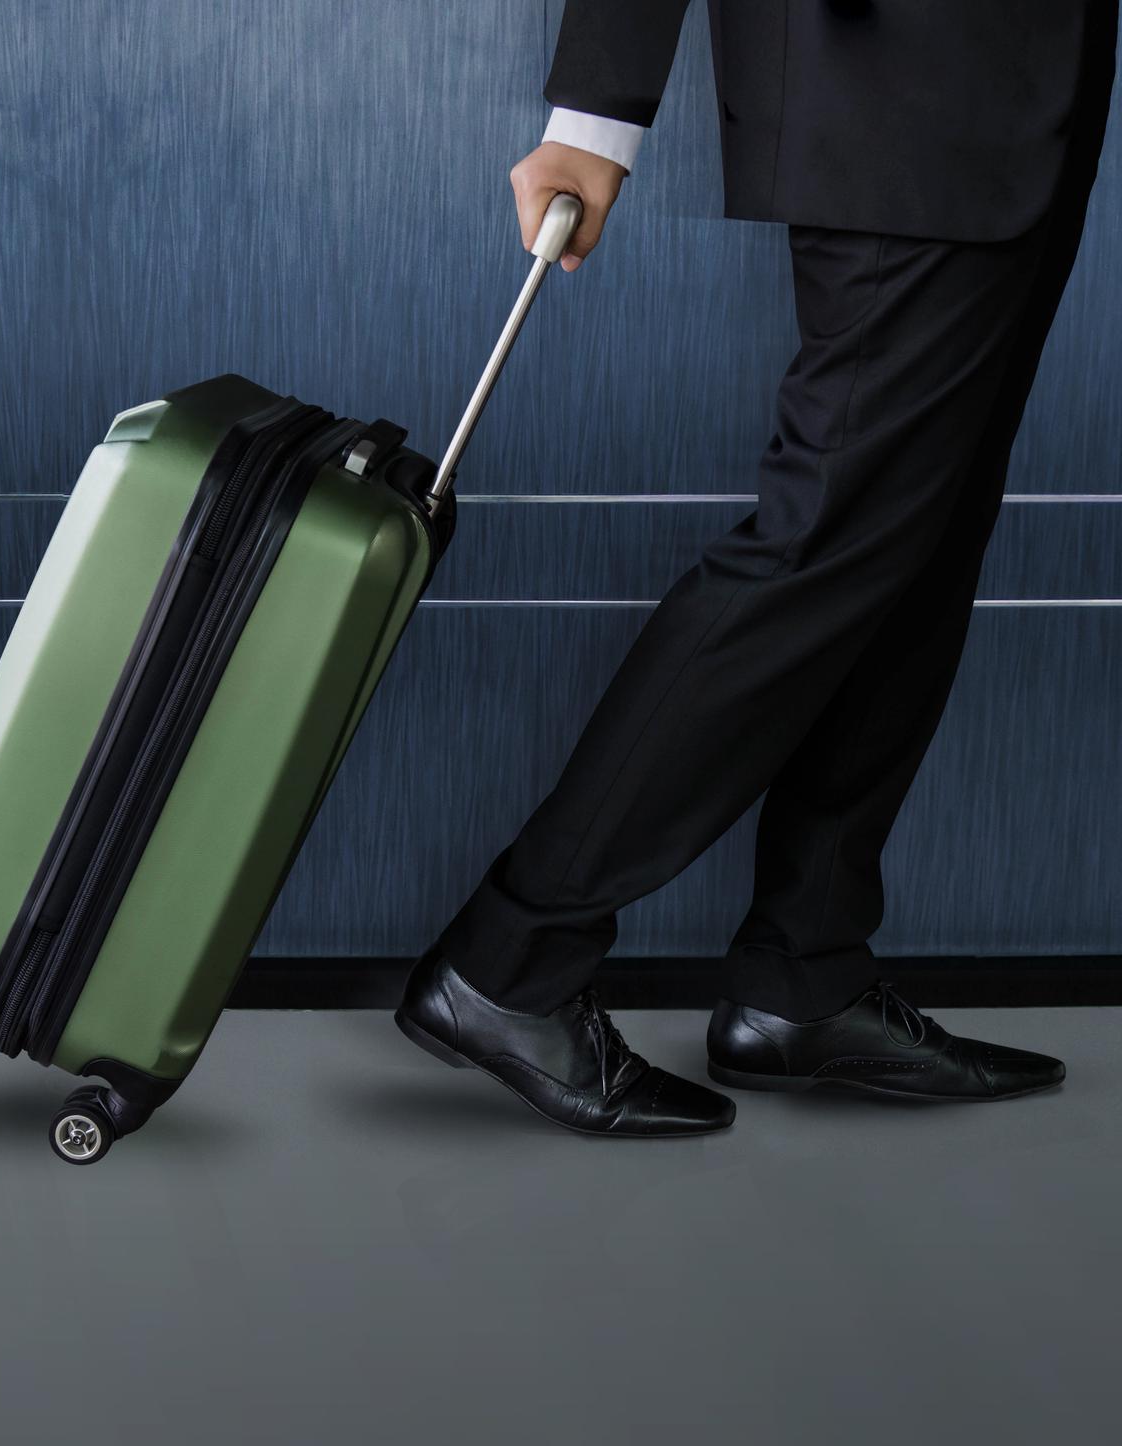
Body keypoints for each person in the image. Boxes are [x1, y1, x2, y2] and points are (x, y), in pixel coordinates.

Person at [394, 0, 1116, 1135]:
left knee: (917, 546)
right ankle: (509, 962)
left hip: (1025, 89)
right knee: (823, 539)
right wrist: (596, 114)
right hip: (902, 91)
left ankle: (804, 975)